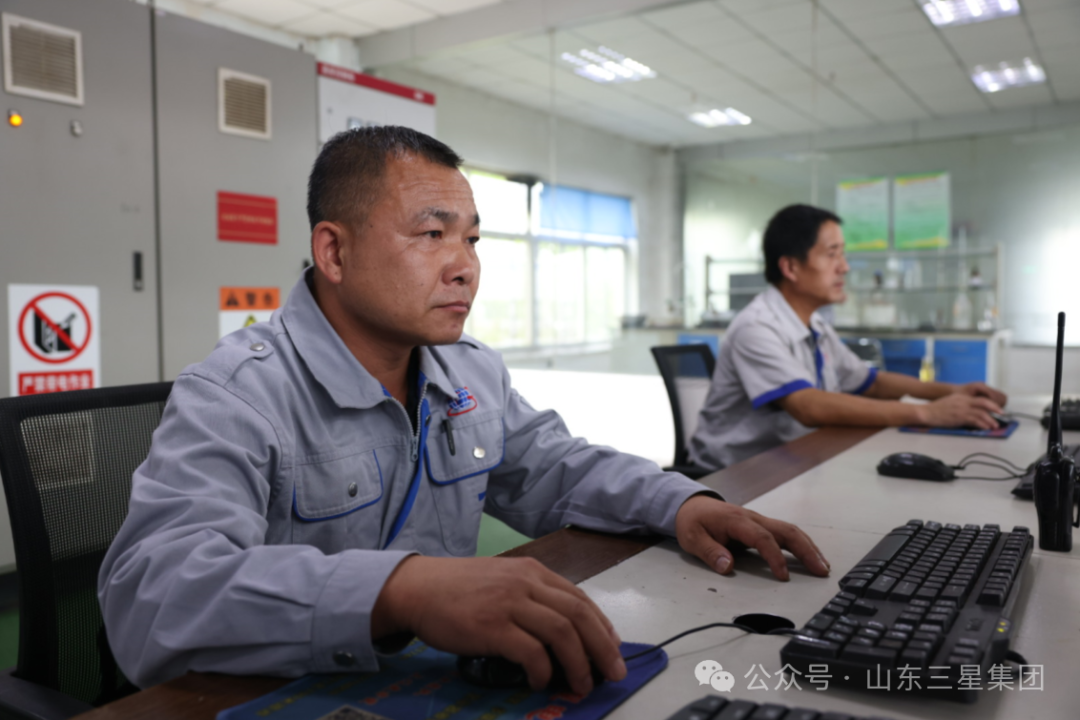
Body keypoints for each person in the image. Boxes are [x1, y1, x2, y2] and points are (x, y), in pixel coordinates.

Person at [98, 127, 831, 696]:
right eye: (432, 234)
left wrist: (682, 503)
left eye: (472, 238)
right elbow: (152, 597)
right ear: (335, 252)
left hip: (424, 684)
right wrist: (401, 590)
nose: (466, 266)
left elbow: (559, 468)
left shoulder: (467, 370)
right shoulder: (238, 393)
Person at [688, 204, 1008, 471]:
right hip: (733, 477)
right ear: (791, 267)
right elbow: (808, 406)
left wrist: (951, 391)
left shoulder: (814, 324)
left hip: (793, 459)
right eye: (832, 254)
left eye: (842, 254)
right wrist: (927, 413)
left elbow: (871, 383)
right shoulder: (756, 328)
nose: (844, 267)